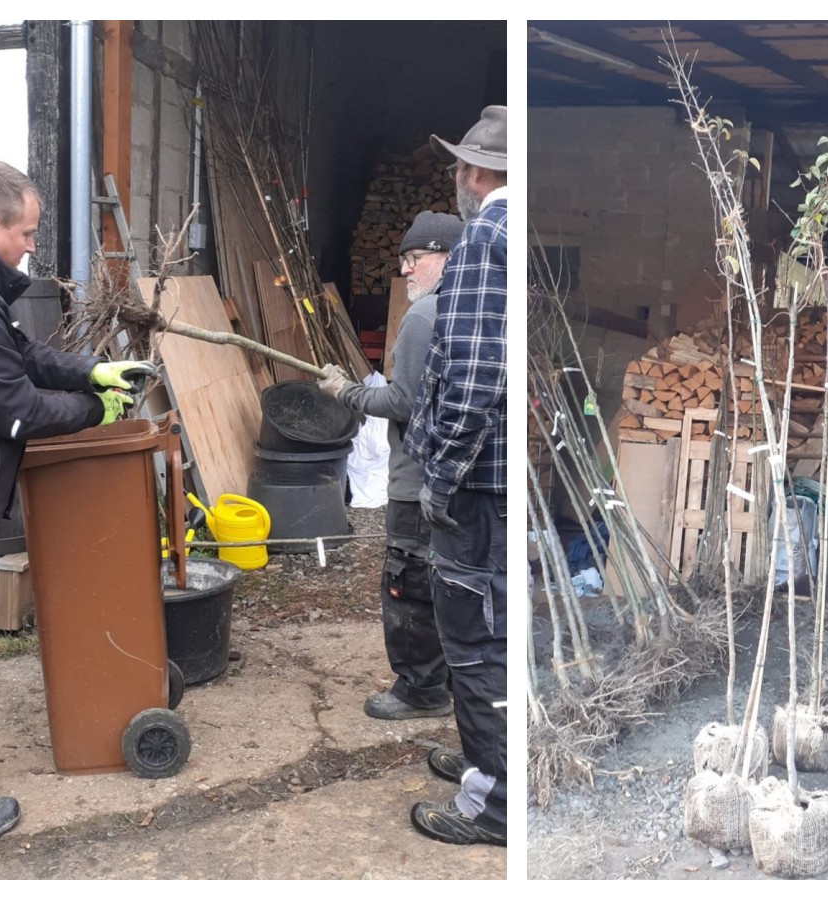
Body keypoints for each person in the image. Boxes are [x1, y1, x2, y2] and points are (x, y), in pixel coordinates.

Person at [0, 160, 152, 844]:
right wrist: (98, 408)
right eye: (26, 233)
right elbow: (17, 410)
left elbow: (21, 355)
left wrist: (93, 368)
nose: (32, 245)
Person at [403, 106, 508, 847]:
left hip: (476, 485)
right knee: (486, 635)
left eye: (461, 170)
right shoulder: (510, 237)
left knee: (472, 643)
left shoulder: (483, 240)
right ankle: (484, 770)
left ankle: (493, 806)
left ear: (475, 174)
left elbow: (471, 377)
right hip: (496, 478)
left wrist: (440, 474)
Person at [317, 211, 463, 720]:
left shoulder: (424, 318)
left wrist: (348, 392)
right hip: (455, 481)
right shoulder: (476, 310)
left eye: (414, 259)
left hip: (415, 480)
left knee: (407, 583)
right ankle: (446, 680)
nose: (405, 271)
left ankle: (420, 691)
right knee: (448, 582)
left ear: (445, 256)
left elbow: (403, 403)